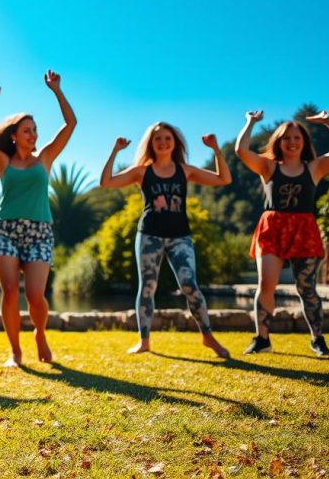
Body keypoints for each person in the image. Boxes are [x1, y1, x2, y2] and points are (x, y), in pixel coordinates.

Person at [0, 70, 76, 366]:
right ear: (14, 136)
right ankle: (15, 351)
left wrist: (57, 90)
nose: (33, 134)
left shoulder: (45, 158)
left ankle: (40, 333)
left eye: (35, 130)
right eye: (26, 130)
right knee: (11, 290)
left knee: (35, 295)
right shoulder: (4, 161)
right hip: (5, 230)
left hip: (39, 232)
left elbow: (70, 124)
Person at [99, 122, 231, 358]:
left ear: (174, 142)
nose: (162, 142)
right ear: (151, 143)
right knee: (147, 287)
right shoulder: (142, 171)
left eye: (167, 138)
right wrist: (114, 151)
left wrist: (216, 150)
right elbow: (106, 182)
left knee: (189, 284)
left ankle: (207, 336)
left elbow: (223, 179)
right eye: (157, 139)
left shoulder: (185, 170)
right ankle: (144, 340)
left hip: (180, 236)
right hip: (149, 235)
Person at [235, 110, 329, 356]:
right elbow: (241, 150)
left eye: (296, 138)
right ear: (278, 142)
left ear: (304, 142)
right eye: (286, 138)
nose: (291, 142)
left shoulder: (315, 167)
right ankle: (262, 338)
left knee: (306, 288)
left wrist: (328, 122)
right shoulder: (268, 167)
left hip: (303, 230)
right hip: (272, 227)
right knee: (265, 283)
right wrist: (250, 123)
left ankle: (317, 340)